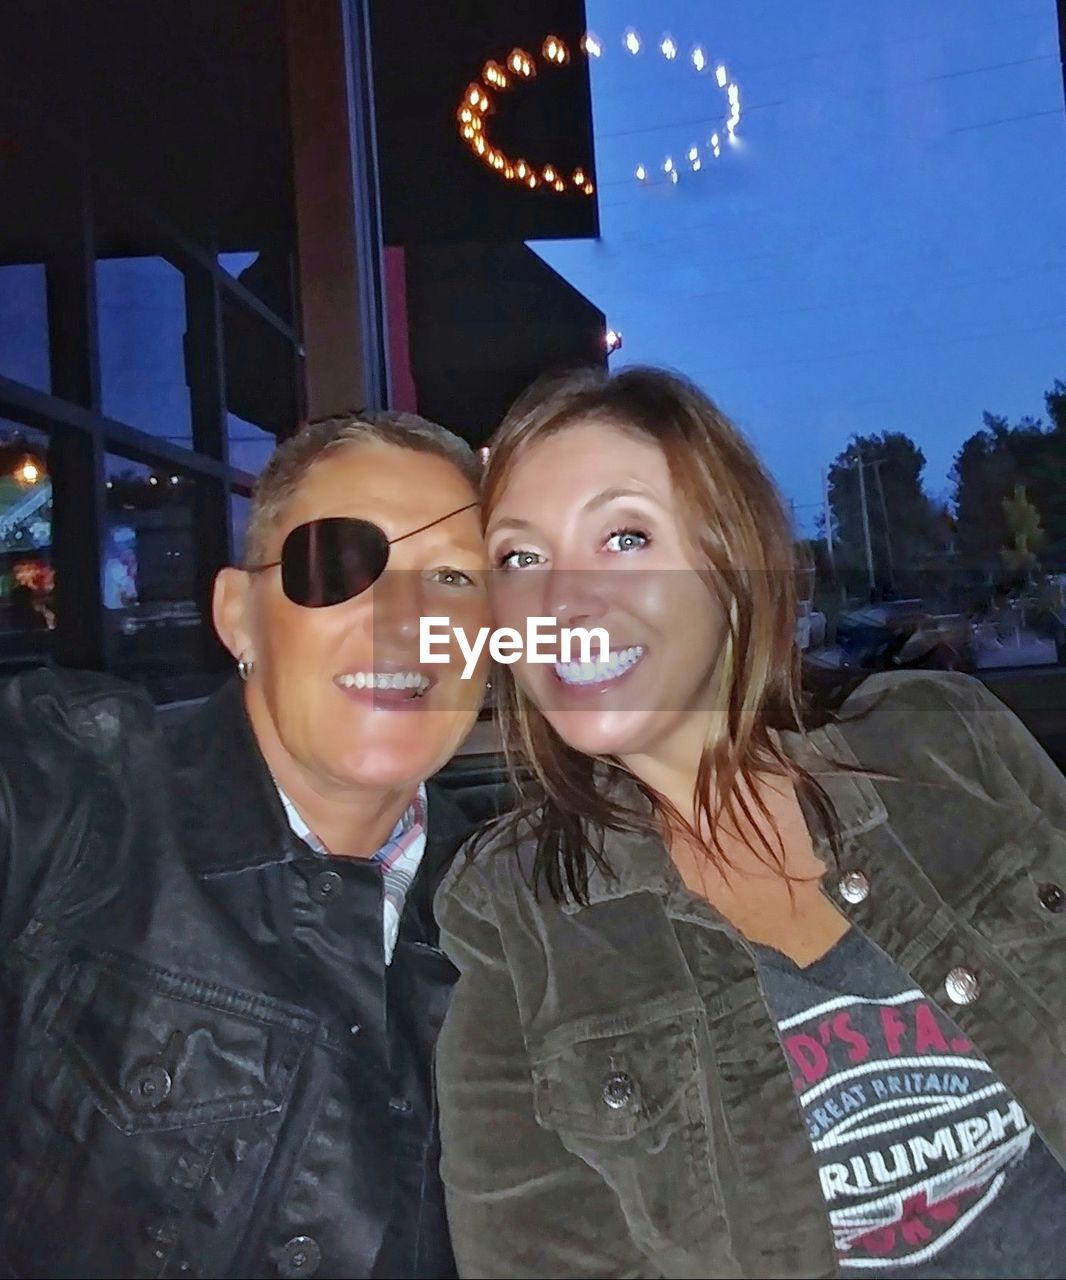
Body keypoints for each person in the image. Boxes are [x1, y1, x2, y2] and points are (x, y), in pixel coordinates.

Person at [434, 366, 1066, 1279]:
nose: (561, 604)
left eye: (622, 536)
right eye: (520, 559)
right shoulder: (514, 917)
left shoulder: (941, 740)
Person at [0, 411, 491, 1278]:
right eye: (339, 563)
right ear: (239, 617)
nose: (406, 618)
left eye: (454, 578)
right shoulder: (84, 802)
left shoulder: (512, 918)